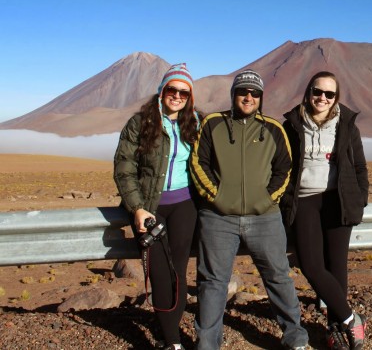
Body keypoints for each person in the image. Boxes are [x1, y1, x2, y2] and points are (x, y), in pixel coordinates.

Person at [189, 70, 309, 350]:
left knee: (278, 276)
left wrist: (266, 199)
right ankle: (207, 344)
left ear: (261, 98)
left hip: (264, 218)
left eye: (254, 93)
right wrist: (216, 197)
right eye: (243, 91)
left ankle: (295, 338)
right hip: (218, 217)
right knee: (212, 282)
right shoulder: (212, 124)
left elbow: (285, 169)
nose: (248, 97)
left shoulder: (273, 129)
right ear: (233, 95)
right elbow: (198, 163)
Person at [113, 63, 201, 350]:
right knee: (160, 275)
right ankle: (172, 341)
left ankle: (170, 334)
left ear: (190, 98)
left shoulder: (195, 123)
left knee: (178, 271)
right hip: (151, 209)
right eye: (171, 89)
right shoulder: (140, 124)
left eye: (183, 93)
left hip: (185, 207)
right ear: (162, 91)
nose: (177, 96)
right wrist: (137, 207)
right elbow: (124, 167)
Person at [281, 71, 369, 350]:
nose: (322, 98)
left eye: (329, 94)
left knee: (337, 268)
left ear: (336, 98)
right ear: (308, 93)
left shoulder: (346, 125)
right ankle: (351, 318)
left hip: (337, 201)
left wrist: (360, 198)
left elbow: (359, 167)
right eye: (318, 92)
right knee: (310, 265)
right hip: (304, 201)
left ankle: (334, 332)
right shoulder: (292, 125)